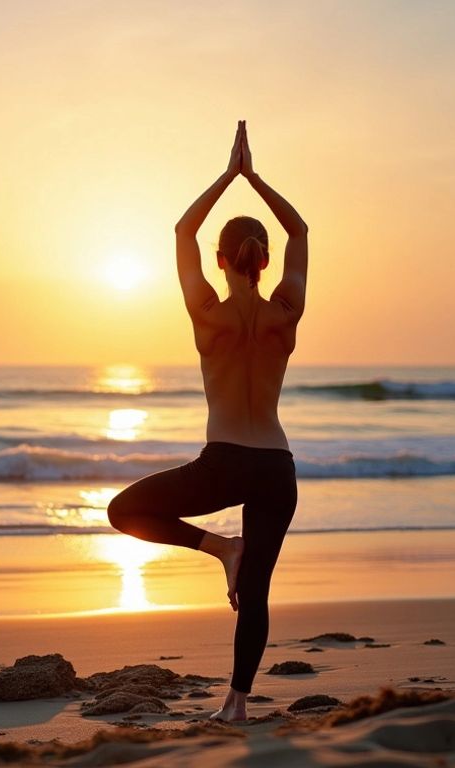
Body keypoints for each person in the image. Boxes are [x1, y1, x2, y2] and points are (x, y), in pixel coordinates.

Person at [106, 120, 308, 722]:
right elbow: (300, 230)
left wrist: (229, 176)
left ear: (220, 260)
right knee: (257, 593)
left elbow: (182, 230)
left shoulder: (206, 313)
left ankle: (221, 548)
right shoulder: (286, 312)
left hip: (223, 465)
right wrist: (255, 178)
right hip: (276, 467)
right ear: (265, 260)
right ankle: (236, 705)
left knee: (123, 511)